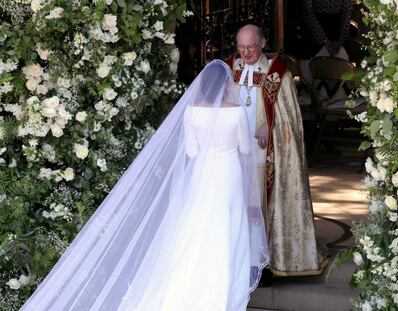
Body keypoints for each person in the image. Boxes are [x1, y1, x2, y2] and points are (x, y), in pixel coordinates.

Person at [20, 60, 269, 310]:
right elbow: (245, 148)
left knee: (196, 229)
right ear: (226, 84)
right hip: (228, 175)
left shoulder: (192, 111)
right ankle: (224, 290)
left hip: (202, 175)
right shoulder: (236, 111)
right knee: (228, 226)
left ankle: (189, 287)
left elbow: (191, 151)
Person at [225, 24, 328, 282]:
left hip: (263, 154)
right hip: (233, 153)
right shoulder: (229, 68)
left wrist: (268, 126)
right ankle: (239, 260)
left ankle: (264, 263)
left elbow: (289, 120)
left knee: (259, 208)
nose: (246, 52)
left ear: (263, 43)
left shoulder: (276, 73)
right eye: (241, 47)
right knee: (238, 207)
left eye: (251, 47)